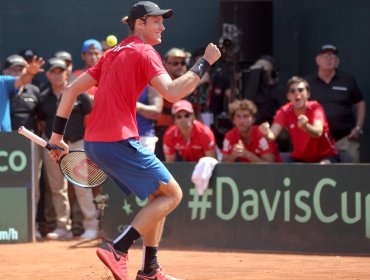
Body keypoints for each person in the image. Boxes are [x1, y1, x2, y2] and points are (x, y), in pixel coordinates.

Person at [47, 1, 221, 279]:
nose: (163, 26)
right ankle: (119, 248)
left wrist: (57, 137)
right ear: (140, 24)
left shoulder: (110, 53)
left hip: (96, 143)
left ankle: (150, 268)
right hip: (117, 139)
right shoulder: (145, 52)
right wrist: (205, 63)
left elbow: (69, 90)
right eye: (156, 21)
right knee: (174, 194)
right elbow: (173, 93)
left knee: (158, 195)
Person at [39, 57, 98, 240]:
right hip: (53, 148)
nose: (57, 75)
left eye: (60, 71)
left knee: (82, 187)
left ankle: (91, 226)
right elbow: (41, 123)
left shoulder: (80, 94)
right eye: (53, 71)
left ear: (67, 73)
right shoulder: (43, 98)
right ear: (48, 74)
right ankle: (62, 227)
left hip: (77, 144)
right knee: (57, 188)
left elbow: (90, 119)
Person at [306, 44, 366, 163]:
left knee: (351, 175)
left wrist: (358, 128)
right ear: (317, 60)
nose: (329, 58)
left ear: (337, 62)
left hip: (345, 139)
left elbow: (360, 103)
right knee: (317, 175)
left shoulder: (347, 80)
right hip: (317, 141)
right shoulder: (308, 82)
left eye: (333, 56)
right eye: (325, 55)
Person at [259, 76, 339, 164]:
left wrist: (306, 126)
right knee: (287, 172)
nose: (297, 93)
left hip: (325, 156)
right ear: (288, 96)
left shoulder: (316, 108)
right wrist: (266, 133)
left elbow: (318, 132)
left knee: (321, 167)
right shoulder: (284, 111)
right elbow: (272, 136)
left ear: (308, 94)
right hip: (300, 158)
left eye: (300, 90)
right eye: (293, 91)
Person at [154, 47, 188, 160]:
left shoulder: (190, 80)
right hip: (162, 133)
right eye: (175, 63)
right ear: (166, 64)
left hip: (185, 132)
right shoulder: (160, 80)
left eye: (182, 63)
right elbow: (173, 92)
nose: (179, 66)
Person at [1, 54, 44, 132]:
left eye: (21, 70)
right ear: (5, 71)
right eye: (14, 70)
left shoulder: (2, 82)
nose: (18, 73)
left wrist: (30, 73)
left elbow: (21, 80)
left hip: (8, 138)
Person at [137, 85, 163, 152]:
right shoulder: (115, 80)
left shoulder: (150, 82)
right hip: (118, 138)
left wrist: (133, 104)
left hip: (144, 137)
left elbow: (156, 112)